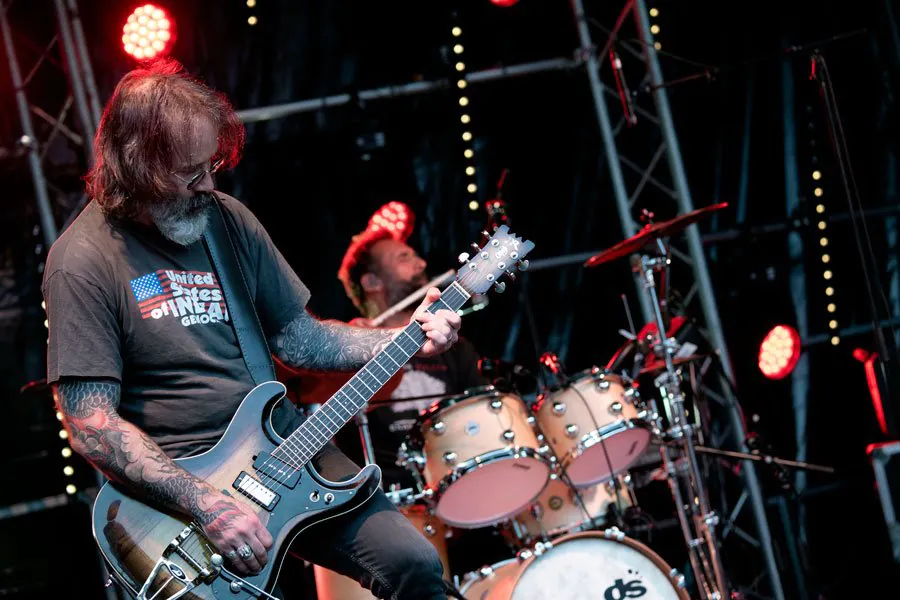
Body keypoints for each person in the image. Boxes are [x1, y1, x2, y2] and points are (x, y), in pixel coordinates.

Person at [41, 58, 464, 600]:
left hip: (285, 445)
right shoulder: (81, 260)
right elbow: (89, 420)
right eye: (189, 173)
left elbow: (299, 339)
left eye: (210, 165)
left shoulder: (227, 220)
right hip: (179, 495)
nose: (208, 184)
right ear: (138, 166)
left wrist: (403, 339)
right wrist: (205, 504)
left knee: (414, 565)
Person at [334, 225, 486, 491]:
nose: (421, 263)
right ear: (371, 282)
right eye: (403, 257)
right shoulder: (347, 355)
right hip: (384, 500)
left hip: (459, 485)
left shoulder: (456, 348)